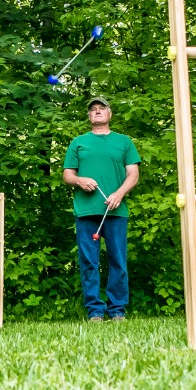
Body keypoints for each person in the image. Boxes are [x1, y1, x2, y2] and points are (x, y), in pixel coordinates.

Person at [63, 96, 141, 321]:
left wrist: (119, 194)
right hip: (86, 211)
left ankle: (117, 310)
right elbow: (67, 175)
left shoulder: (124, 142)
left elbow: (133, 175)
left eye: (102, 108)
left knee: (118, 261)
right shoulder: (78, 142)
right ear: (89, 116)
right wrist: (80, 180)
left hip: (115, 211)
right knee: (89, 262)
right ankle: (95, 311)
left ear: (109, 114)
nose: (97, 111)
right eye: (93, 109)